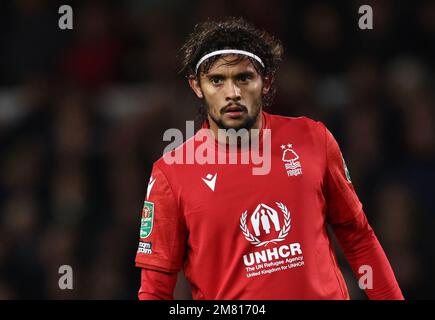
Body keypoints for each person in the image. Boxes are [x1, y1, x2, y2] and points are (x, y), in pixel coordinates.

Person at [134, 17, 404, 300]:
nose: (233, 93)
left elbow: (357, 237)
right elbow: (154, 290)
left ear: (266, 81)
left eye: (244, 78)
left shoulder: (313, 138)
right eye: (217, 80)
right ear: (197, 86)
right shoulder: (171, 172)